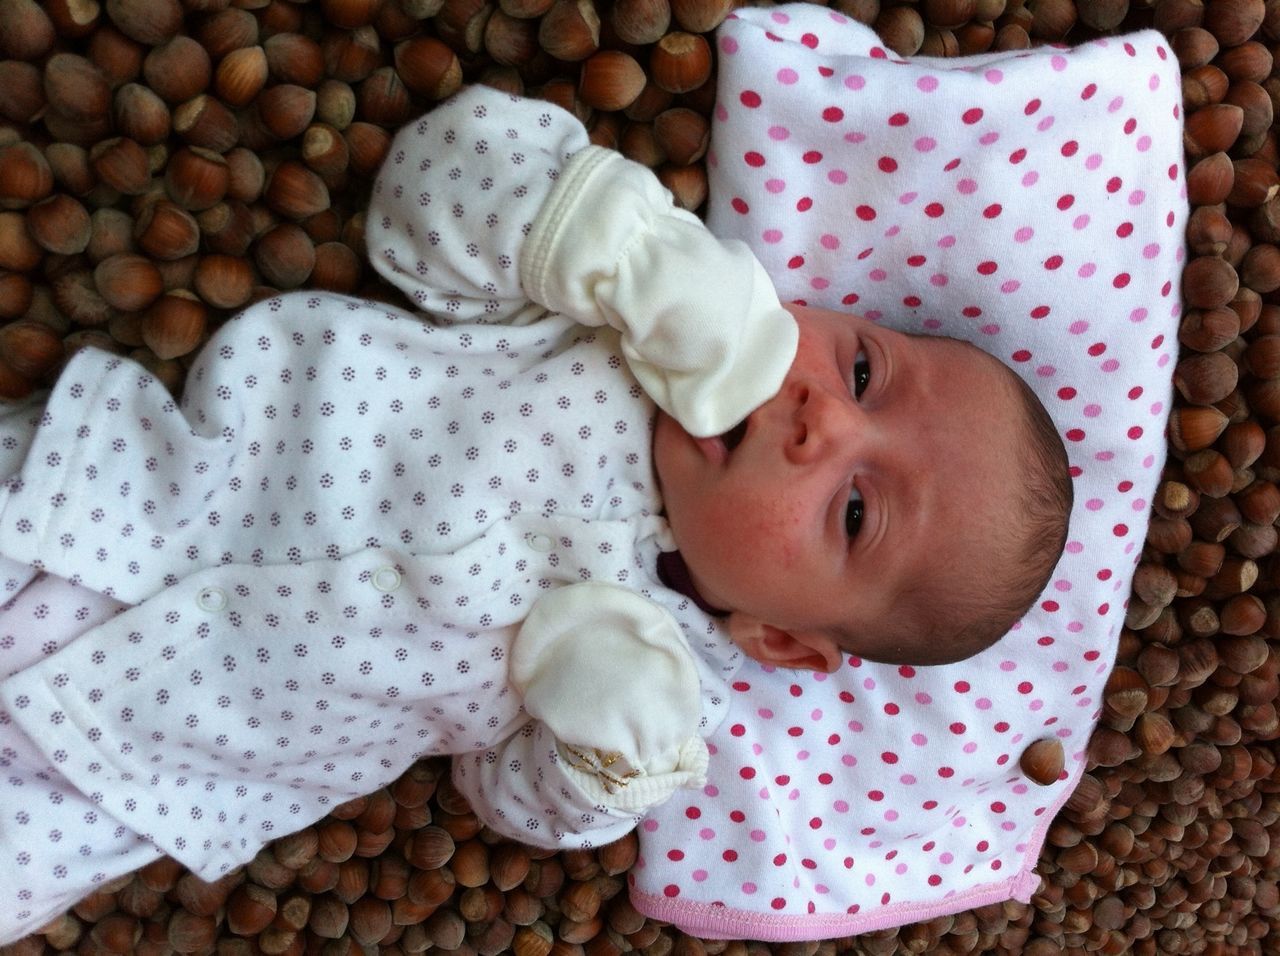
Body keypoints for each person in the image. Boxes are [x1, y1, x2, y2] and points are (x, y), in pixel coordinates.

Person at [0, 85, 1070, 943]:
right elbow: (423, 198)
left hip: (142, 769)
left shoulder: (658, 683)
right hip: (96, 501)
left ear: (780, 637)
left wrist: (605, 762)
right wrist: (630, 255)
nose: (819, 418)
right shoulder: (601, 328)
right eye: (864, 366)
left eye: (849, 512)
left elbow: (502, 794)